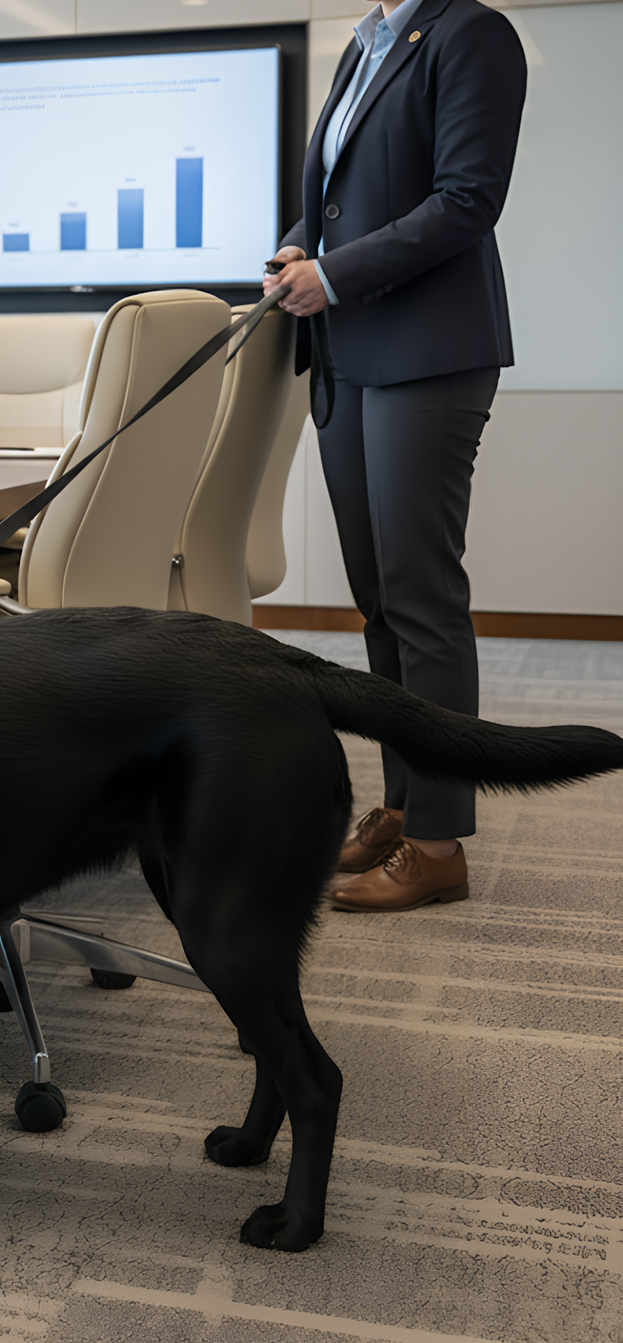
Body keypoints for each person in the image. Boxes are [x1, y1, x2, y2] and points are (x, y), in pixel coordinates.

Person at [266, 0, 526, 912]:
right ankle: (404, 801)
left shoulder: (470, 33)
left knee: (421, 594)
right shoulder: (365, 43)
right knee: (379, 598)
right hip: (349, 354)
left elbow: (466, 199)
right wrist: (305, 243)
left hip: (427, 354)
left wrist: (334, 272)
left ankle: (440, 841)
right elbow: (346, 194)